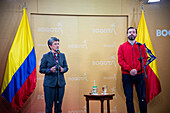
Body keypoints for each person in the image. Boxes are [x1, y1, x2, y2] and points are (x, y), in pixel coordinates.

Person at [118, 27, 148, 113]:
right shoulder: (122, 47)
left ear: (136, 35)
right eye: (130, 32)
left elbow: (145, 59)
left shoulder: (141, 46)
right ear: (127, 35)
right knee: (129, 99)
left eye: (133, 32)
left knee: (142, 98)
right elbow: (120, 60)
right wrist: (130, 70)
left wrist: (137, 69)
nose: (132, 33)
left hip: (140, 74)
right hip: (126, 75)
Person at [39, 37, 68, 113]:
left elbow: (66, 67)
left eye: (58, 44)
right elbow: (41, 69)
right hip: (49, 85)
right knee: (49, 106)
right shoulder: (46, 56)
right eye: (55, 44)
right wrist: (49, 70)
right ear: (50, 46)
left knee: (58, 107)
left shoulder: (62, 55)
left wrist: (63, 69)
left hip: (60, 84)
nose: (57, 45)